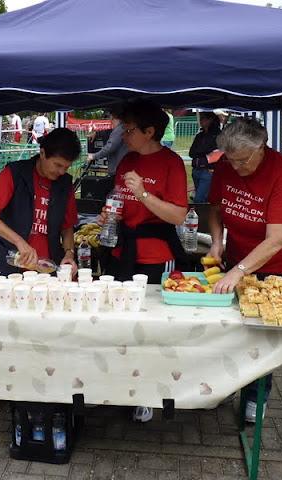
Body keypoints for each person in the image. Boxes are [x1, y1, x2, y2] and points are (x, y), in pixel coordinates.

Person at [207, 118, 282, 422]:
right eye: (231, 160)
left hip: (276, 264)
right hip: (238, 256)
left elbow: (276, 239)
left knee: (262, 335)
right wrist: (217, 242)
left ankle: (256, 396)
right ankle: (228, 384)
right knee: (232, 331)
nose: (236, 167)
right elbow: (215, 208)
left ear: (262, 147)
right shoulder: (226, 166)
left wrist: (239, 271)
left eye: (242, 160)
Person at [99, 99, 188, 423]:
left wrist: (144, 194)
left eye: (129, 130)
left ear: (150, 131)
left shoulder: (171, 163)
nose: (124, 135)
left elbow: (178, 215)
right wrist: (109, 213)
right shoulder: (127, 160)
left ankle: (147, 393)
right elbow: (118, 201)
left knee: (151, 330)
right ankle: (121, 384)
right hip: (122, 252)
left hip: (156, 256)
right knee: (121, 324)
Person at [0, 128, 81, 275]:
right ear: (42, 153)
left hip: (47, 268)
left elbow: (67, 228)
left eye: (66, 167)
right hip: (11, 263)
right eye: (57, 165)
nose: (61, 172)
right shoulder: (14, 173)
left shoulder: (65, 184)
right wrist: (19, 241)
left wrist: (69, 253)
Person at [189, 112, 222, 203]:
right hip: (196, 170)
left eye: (203, 118)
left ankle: (201, 212)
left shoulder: (218, 135)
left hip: (208, 171)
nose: (200, 120)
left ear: (210, 120)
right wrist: (205, 154)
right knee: (204, 198)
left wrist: (202, 154)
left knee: (199, 199)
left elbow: (217, 154)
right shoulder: (199, 135)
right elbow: (191, 153)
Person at [87, 106, 128, 176]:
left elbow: (110, 147)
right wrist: (96, 134)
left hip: (118, 170)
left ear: (112, 117)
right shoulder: (120, 129)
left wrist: (94, 156)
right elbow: (109, 132)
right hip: (120, 168)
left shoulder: (119, 129)